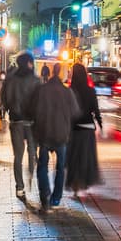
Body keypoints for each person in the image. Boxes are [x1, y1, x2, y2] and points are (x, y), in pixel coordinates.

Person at [26, 60, 78, 212]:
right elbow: (75, 112)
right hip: (62, 134)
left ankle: (45, 195)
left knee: (42, 165)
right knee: (60, 168)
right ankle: (56, 197)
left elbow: (30, 110)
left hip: (44, 133)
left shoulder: (41, 90)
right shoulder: (67, 92)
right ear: (61, 74)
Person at [0, 53, 40, 199]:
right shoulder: (35, 80)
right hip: (31, 122)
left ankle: (19, 186)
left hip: (16, 121)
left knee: (18, 156)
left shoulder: (10, 80)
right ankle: (30, 175)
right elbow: (39, 101)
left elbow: (4, 98)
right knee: (32, 151)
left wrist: (8, 110)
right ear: (29, 63)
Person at [65, 63, 103, 197]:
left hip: (74, 129)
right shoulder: (91, 91)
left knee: (74, 158)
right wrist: (100, 124)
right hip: (88, 128)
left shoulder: (70, 90)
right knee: (87, 158)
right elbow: (96, 110)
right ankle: (85, 182)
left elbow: (67, 112)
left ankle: (75, 185)